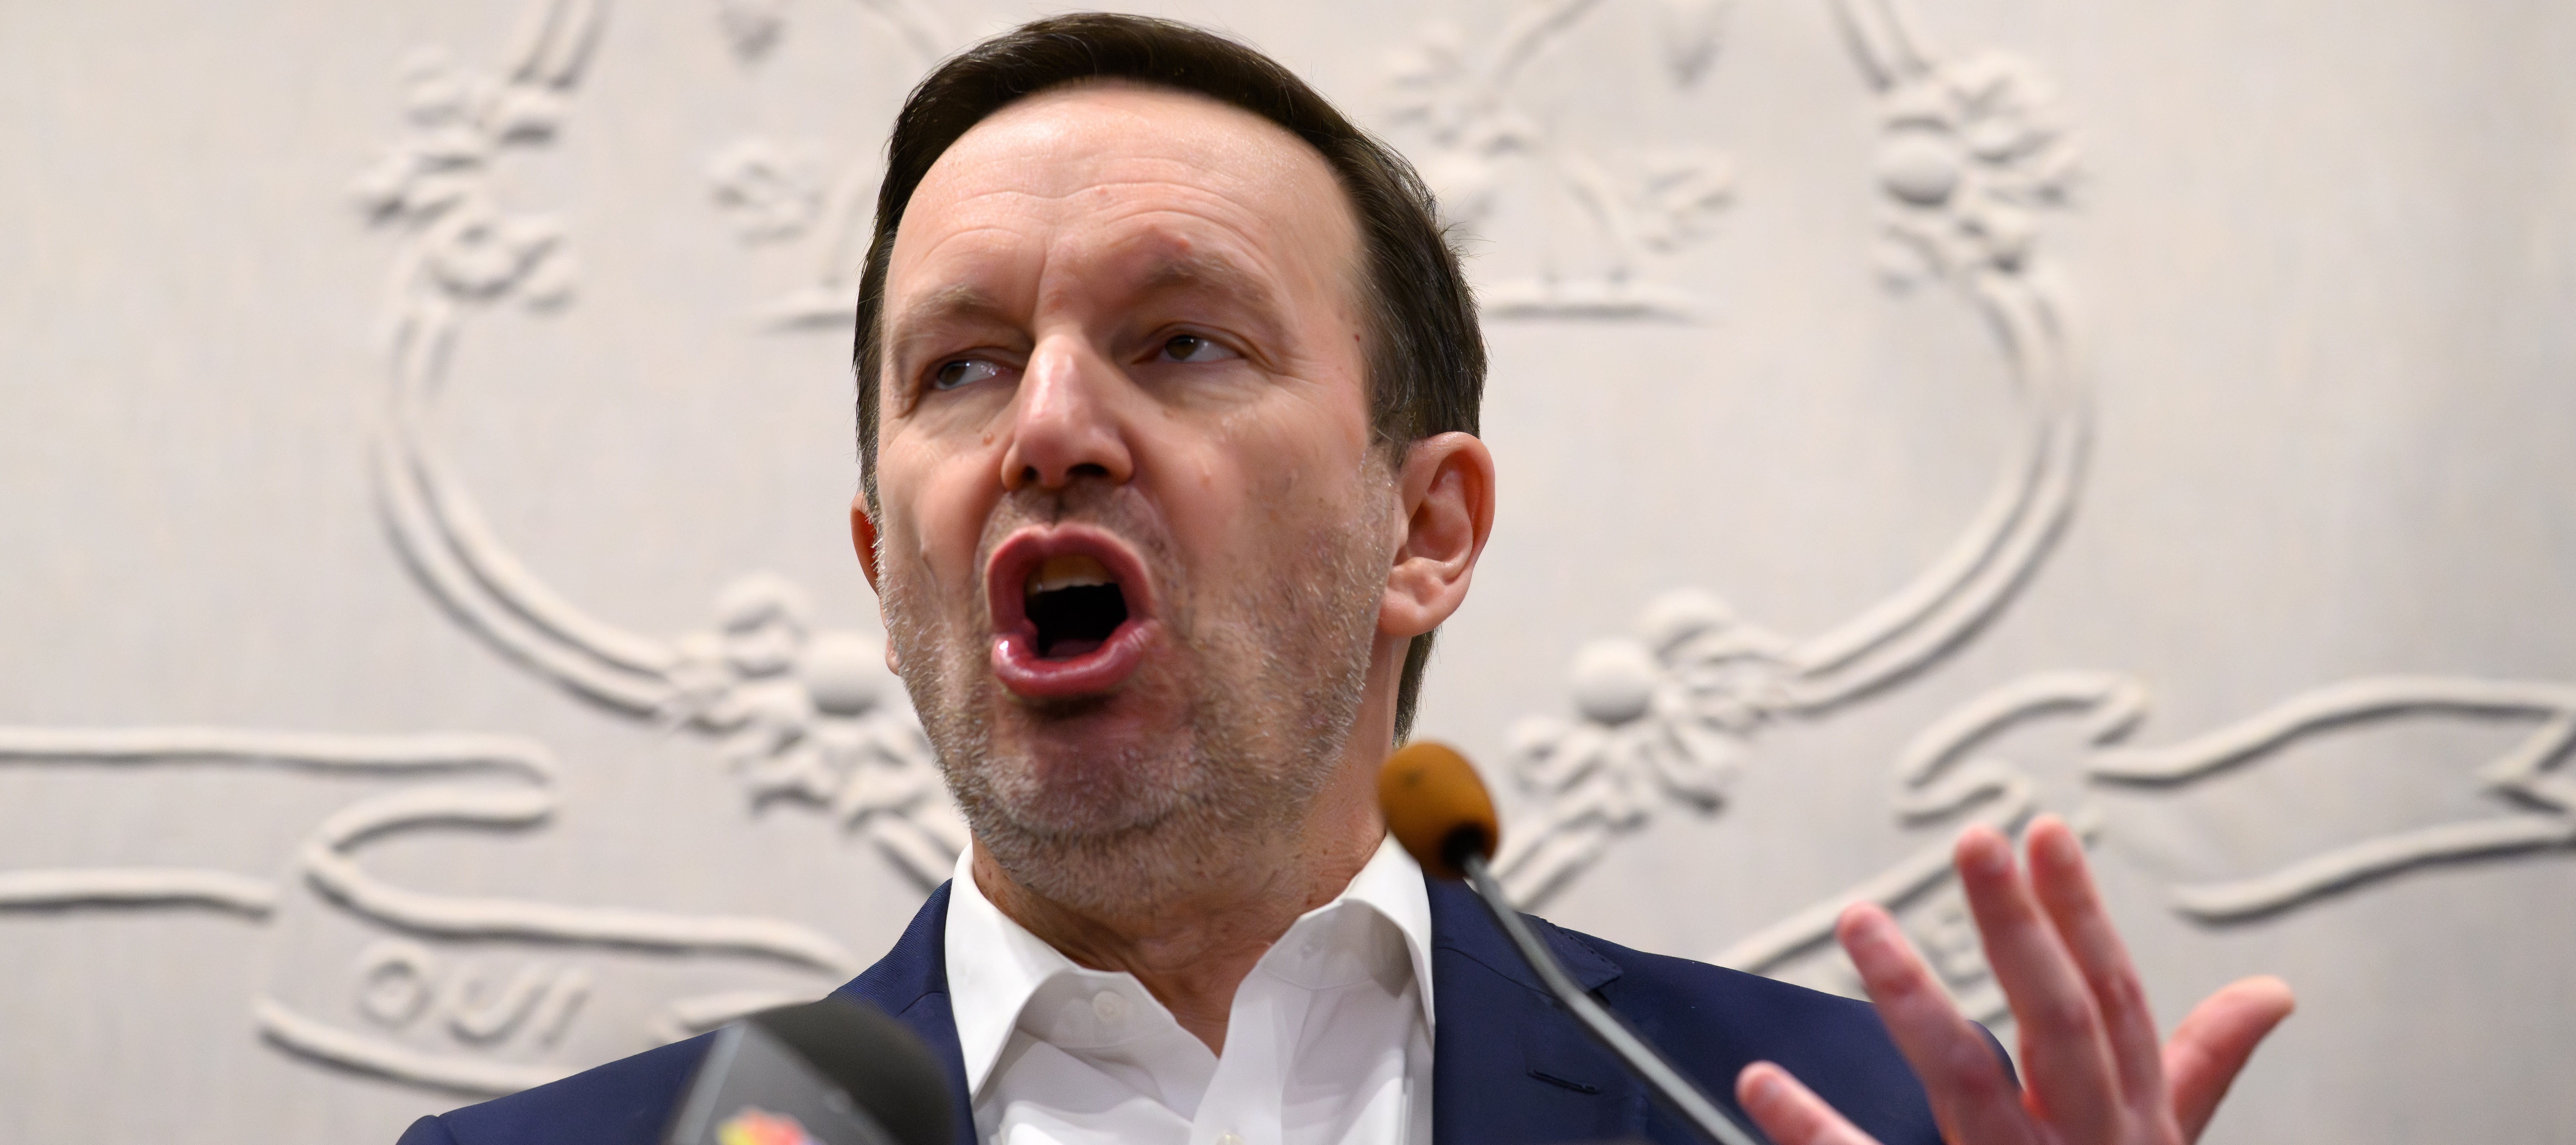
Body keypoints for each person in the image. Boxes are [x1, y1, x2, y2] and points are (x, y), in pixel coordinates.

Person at [398, 14, 2294, 1145]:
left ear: (1431, 530)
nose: (1047, 423)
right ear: (891, 565)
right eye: (960, 366)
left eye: (1183, 342)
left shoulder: (1839, 1123)